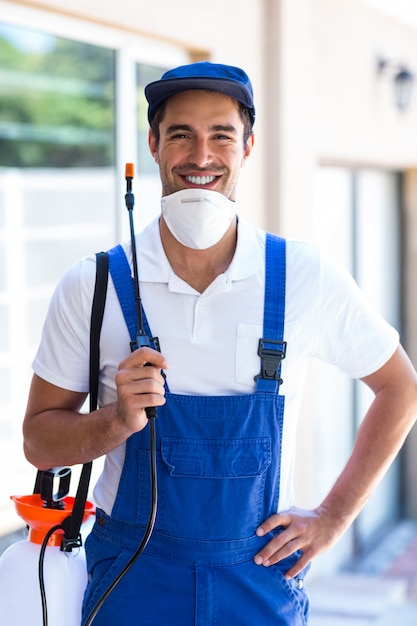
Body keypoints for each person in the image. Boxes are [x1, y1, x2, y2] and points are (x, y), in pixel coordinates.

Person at [23, 61, 417, 626]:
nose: (200, 155)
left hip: (257, 581)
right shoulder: (94, 286)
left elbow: (400, 389)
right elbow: (39, 441)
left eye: (221, 135)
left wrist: (332, 516)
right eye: (180, 134)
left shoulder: (303, 276)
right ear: (154, 144)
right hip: (131, 584)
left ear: (248, 147)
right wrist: (115, 421)